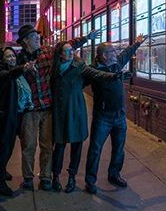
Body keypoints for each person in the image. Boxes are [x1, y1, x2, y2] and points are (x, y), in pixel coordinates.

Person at [15, 24, 97, 191]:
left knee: (47, 145)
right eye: (33, 36)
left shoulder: (47, 52)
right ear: (25, 41)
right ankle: (28, 177)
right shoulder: (18, 59)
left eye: (37, 35)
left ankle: (46, 177)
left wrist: (86, 38)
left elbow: (67, 46)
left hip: (47, 107)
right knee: (28, 146)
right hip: (29, 110)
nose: (38, 37)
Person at [50, 41, 130, 193]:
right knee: (60, 146)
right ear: (59, 54)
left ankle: (72, 178)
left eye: (71, 50)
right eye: (66, 51)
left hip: (77, 112)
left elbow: (97, 74)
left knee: (77, 146)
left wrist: (114, 77)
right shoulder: (53, 70)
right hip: (62, 113)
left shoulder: (80, 67)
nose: (70, 53)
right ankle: (57, 176)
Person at [84, 34, 146, 194]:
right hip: (103, 116)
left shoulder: (116, 63)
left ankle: (114, 174)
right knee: (95, 148)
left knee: (119, 147)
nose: (116, 53)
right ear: (104, 55)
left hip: (119, 114)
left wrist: (137, 42)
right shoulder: (93, 70)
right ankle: (90, 180)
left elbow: (126, 53)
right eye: (112, 51)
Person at [0, 48, 36, 196]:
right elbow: (8, 75)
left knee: (6, 148)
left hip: (13, 116)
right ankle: (0, 182)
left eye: (13, 55)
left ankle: (2, 170)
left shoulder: (18, 74)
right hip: (0, 118)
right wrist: (23, 68)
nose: (11, 58)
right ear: (1, 60)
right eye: (7, 56)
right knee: (5, 148)